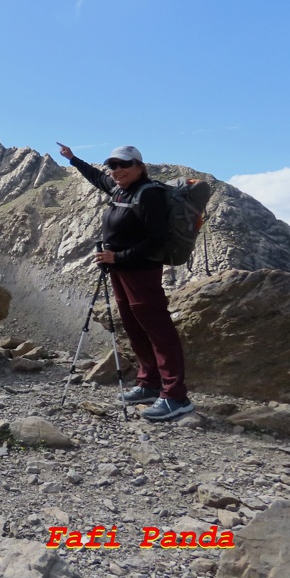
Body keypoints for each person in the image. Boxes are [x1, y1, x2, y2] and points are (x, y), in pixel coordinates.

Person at [55, 142, 193, 421]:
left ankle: (176, 396)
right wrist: (73, 159)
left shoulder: (149, 193)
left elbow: (157, 239)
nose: (116, 170)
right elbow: (97, 177)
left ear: (139, 167)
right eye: (113, 165)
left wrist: (118, 257)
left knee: (157, 329)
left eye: (124, 165)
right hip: (120, 270)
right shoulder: (120, 188)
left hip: (140, 270)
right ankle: (149, 383)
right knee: (133, 325)